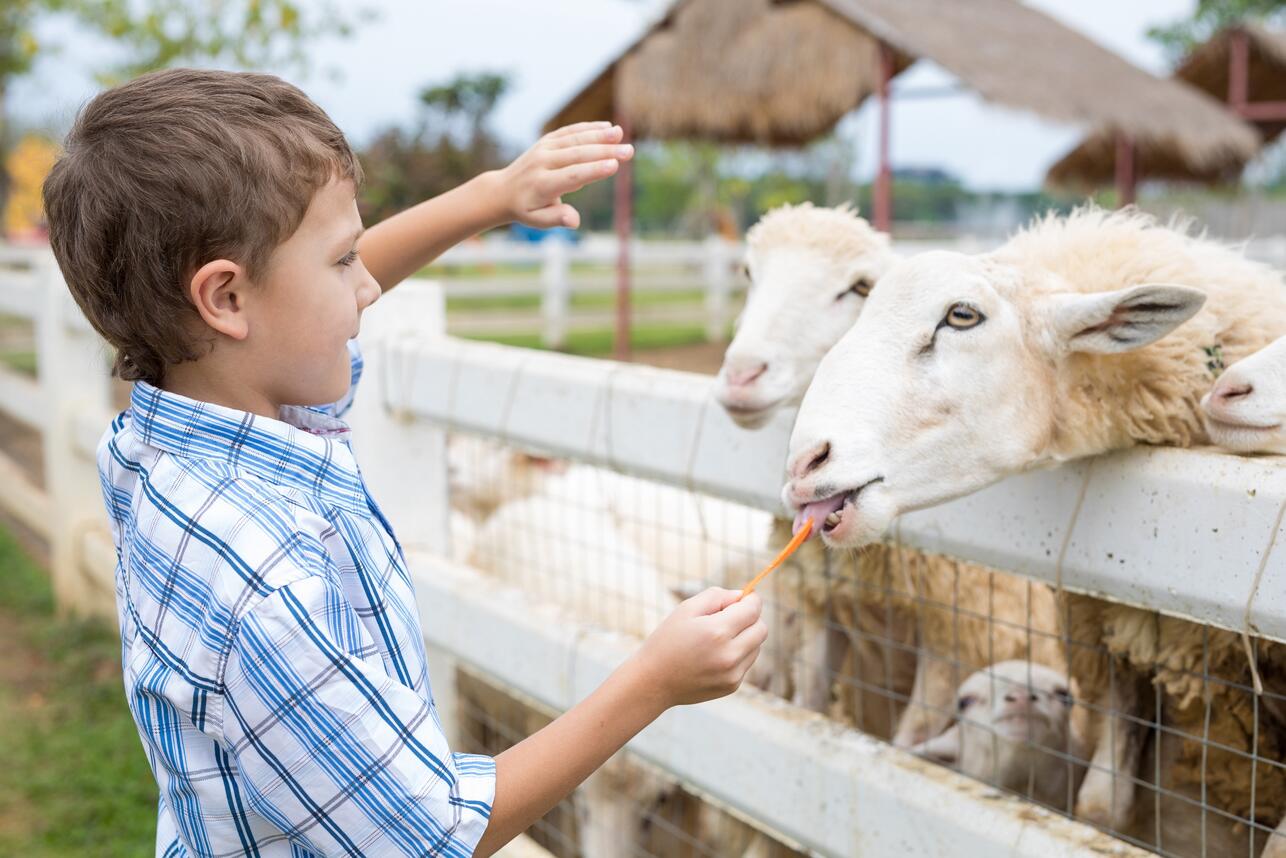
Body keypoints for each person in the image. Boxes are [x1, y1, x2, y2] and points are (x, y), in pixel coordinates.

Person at [42, 68, 767, 857]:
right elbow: (430, 836)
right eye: (344, 259)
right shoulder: (266, 584)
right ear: (224, 300)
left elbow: (289, 300)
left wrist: (487, 198)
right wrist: (654, 681)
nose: (368, 288)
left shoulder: (166, 437)